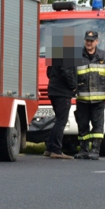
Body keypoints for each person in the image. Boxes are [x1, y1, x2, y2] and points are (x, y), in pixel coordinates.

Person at [74, 30, 105, 160]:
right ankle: (83, 150)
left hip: (98, 101)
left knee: (98, 125)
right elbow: (71, 75)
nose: (89, 43)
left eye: (91, 41)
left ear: (96, 42)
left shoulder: (104, 57)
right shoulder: (77, 56)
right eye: (87, 40)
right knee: (82, 125)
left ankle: (95, 150)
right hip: (82, 99)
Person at [44, 30, 78, 160]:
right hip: (63, 92)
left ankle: (49, 148)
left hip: (52, 90)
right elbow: (67, 71)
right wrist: (73, 86)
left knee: (58, 119)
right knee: (62, 121)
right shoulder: (68, 51)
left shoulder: (55, 53)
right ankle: (56, 150)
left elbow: (48, 72)